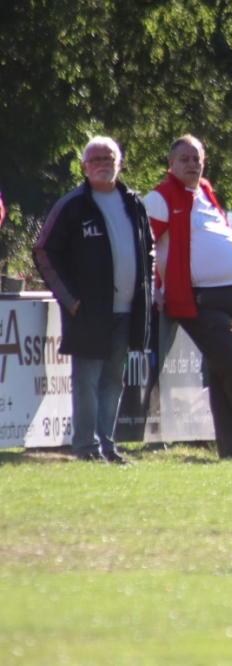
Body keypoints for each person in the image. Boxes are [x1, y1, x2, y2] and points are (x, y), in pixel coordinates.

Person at [143, 135, 232, 461]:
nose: (191, 164)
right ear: (170, 164)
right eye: (183, 159)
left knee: (223, 371)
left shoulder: (206, 192)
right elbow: (144, 244)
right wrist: (152, 288)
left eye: (196, 158)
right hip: (199, 302)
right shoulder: (160, 198)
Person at [32, 136, 153, 462]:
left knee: (113, 380)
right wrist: (69, 299)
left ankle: (107, 446)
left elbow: (148, 251)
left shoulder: (134, 203)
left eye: (108, 158)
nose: (102, 164)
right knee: (86, 381)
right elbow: (44, 251)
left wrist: (147, 293)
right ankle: (86, 447)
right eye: (95, 159)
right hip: (87, 312)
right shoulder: (72, 205)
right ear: (84, 167)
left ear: (120, 163)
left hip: (127, 311)